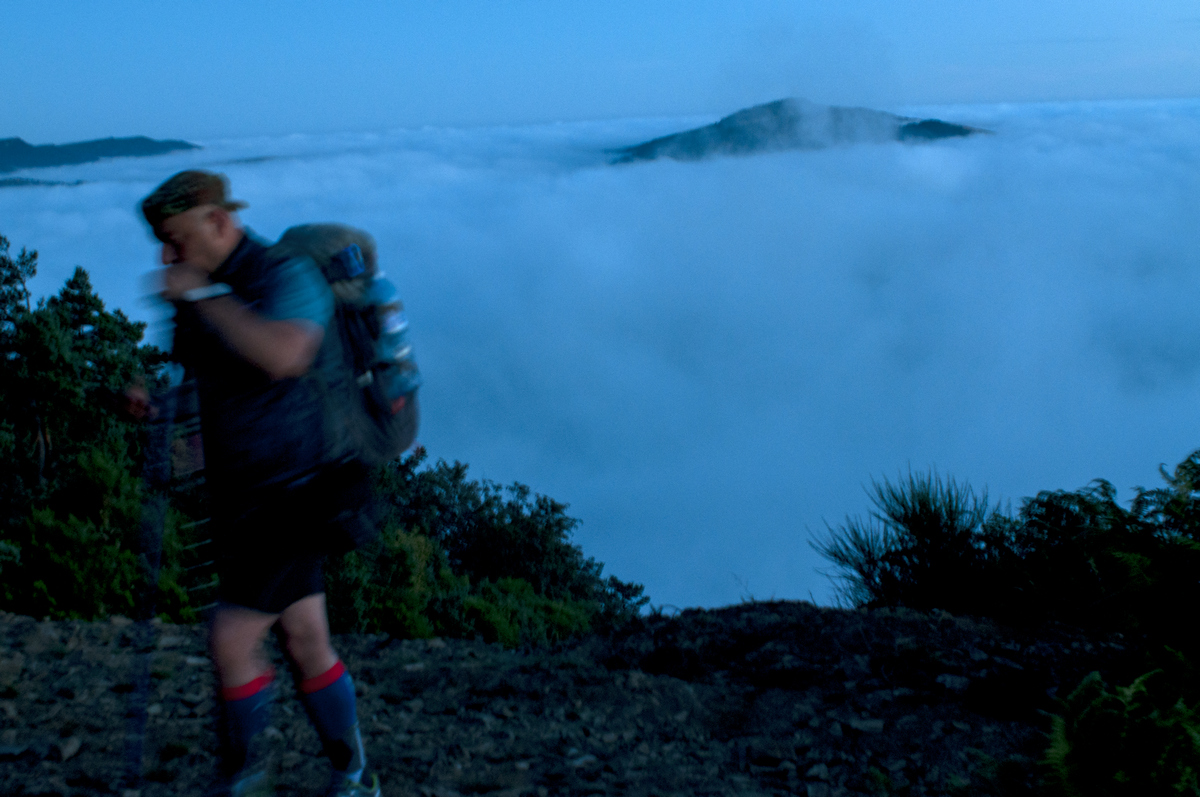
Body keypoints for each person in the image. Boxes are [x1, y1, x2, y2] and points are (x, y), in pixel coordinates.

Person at [141, 170, 381, 797]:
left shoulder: (283, 275)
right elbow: (223, 386)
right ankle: (354, 776)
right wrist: (158, 407)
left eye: (176, 239)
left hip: (298, 492)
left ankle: (245, 784)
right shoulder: (216, 293)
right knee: (305, 639)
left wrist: (199, 297)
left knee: (231, 639)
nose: (168, 257)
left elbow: (285, 355)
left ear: (218, 222)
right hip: (255, 497)